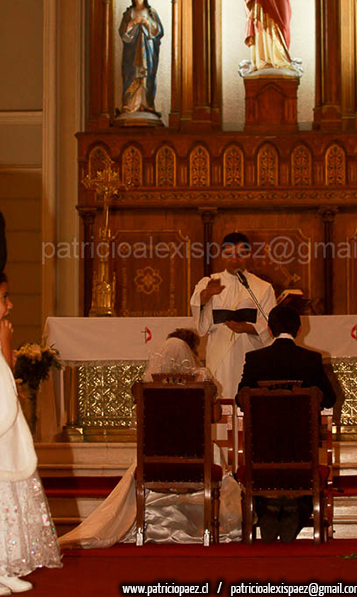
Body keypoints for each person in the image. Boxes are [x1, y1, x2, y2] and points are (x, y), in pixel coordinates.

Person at [58, 329, 241, 547]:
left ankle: (148, 526)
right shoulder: (202, 379)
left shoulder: (148, 386)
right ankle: (207, 527)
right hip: (197, 456)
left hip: (155, 457)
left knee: (141, 460)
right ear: (190, 352)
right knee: (215, 456)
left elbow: (143, 421)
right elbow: (215, 416)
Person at [236, 305, 336, 544]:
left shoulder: (255, 359)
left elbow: (241, 399)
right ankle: (296, 508)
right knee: (304, 465)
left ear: (270, 330)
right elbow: (330, 398)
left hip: (263, 455)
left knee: (263, 464)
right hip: (301, 452)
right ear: (300, 329)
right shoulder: (311, 360)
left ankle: (268, 506)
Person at [0, 273, 61, 593]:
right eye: (3, 298)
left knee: (8, 501)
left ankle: (5, 565)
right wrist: (5, 345)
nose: (9, 305)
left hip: (7, 437)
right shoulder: (2, 332)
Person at [190, 232, 276, 399]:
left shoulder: (263, 287)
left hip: (250, 351)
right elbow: (199, 316)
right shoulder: (209, 282)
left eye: (240, 255)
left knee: (247, 399)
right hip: (219, 351)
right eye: (229, 254)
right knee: (222, 398)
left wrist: (248, 328)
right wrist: (207, 295)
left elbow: (271, 324)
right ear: (222, 255)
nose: (234, 259)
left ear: (248, 255)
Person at [118, 0, 164, 116]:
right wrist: (132, 23)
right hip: (132, 52)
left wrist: (147, 23)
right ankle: (131, 105)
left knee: (147, 75)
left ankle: (146, 104)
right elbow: (123, 32)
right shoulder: (129, 13)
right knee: (132, 75)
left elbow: (159, 31)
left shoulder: (151, 12)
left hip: (147, 51)